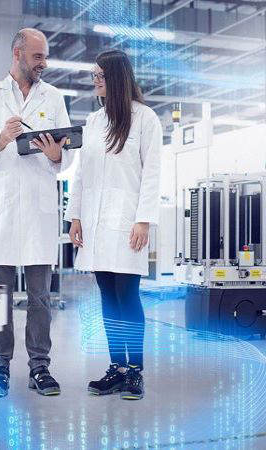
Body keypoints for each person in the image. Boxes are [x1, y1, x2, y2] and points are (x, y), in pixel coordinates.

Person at [0, 28, 73, 398]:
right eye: (37, 56)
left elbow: (66, 152)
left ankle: (40, 367)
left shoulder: (53, 97)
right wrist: (1, 138)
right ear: (17, 54)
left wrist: (58, 155)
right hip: (1, 211)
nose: (43, 64)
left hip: (39, 209)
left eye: (45, 57)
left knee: (40, 298)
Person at [66, 49, 161, 401]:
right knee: (107, 298)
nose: (95, 82)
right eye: (93, 76)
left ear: (117, 79)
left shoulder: (145, 119)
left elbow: (151, 173)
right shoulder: (92, 122)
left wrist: (143, 220)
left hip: (126, 224)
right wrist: (75, 216)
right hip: (94, 224)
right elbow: (81, 174)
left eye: (100, 77)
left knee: (127, 297)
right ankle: (116, 369)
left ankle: (135, 371)